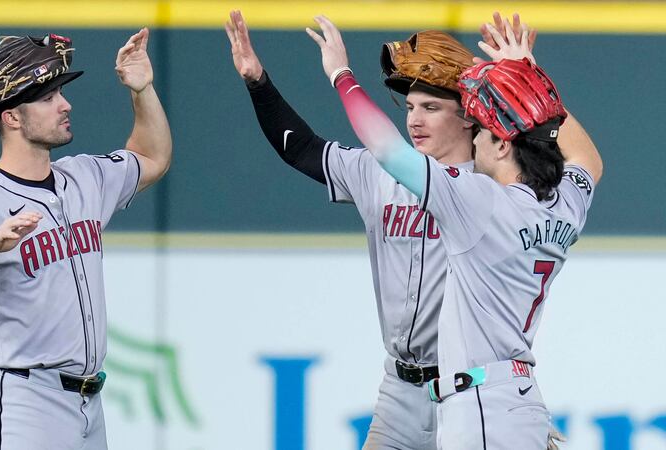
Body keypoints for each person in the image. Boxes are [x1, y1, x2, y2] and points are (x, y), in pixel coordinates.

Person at [226, 10, 542, 450]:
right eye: (410, 107)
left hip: (470, 393)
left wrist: (522, 74)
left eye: (431, 108)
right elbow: (299, 149)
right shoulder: (377, 174)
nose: (415, 120)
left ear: (470, 118)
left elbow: (557, 155)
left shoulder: (490, 191)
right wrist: (258, 82)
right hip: (400, 388)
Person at [307, 14, 602, 450]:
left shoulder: (480, 202)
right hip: (521, 400)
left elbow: (387, 150)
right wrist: (526, 74)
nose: (476, 138)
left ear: (503, 145)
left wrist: (340, 75)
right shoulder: (562, 203)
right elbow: (588, 159)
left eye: (483, 131)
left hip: (480, 406)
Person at [0, 29, 171, 449]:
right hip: (24, 401)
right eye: (46, 98)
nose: (64, 104)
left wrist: (142, 90)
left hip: (88, 405)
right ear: (12, 116)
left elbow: (153, 157)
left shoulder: (83, 177)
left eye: (59, 92)